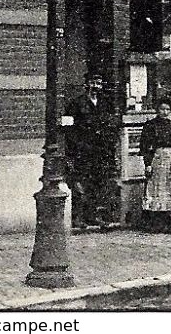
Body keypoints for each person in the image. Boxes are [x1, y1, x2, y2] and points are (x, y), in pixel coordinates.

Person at [65, 73, 116, 229]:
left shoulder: (105, 104)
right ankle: (77, 217)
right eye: (93, 82)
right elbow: (70, 128)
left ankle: (92, 216)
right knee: (81, 182)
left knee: (98, 183)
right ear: (86, 84)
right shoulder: (77, 103)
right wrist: (76, 146)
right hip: (83, 150)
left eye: (99, 83)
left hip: (100, 151)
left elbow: (109, 125)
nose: (96, 86)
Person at [138, 97, 171, 232]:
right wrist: (148, 164)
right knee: (158, 189)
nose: (165, 112)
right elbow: (145, 147)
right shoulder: (150, 125)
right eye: (162, 109)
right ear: (157, 109)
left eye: (167, 109)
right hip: (158, 159)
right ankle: (157, 224)